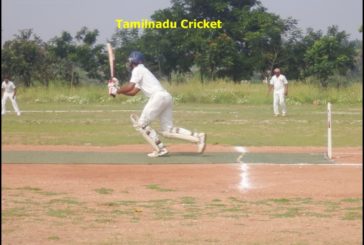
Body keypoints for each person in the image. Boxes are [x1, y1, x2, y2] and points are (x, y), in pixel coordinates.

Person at [108, 51, 206, 157]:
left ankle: (160, 149)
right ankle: (198, 137)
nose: (129, 64)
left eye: (130, 61)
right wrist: (117, 90)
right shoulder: (143, 71)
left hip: (158, 97)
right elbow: (133, 92)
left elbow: (129, 87)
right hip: (166, 96)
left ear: (133, 61)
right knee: (168, 130)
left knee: (141, 125)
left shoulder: (137, 70)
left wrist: (116, 91)